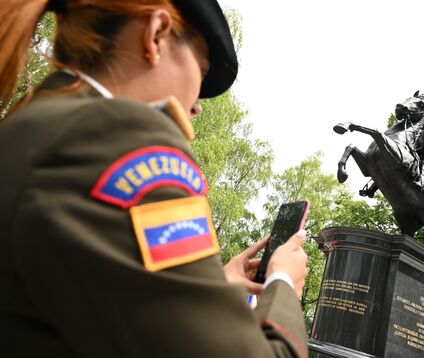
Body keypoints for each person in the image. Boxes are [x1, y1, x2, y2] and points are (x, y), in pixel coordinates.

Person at [0, 1, 308, 357]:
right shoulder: (117, 139)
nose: (197, 107)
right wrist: (283, 283)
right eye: (202, 71)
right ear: (156, 34)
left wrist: (205, 286)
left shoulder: (32, 121)